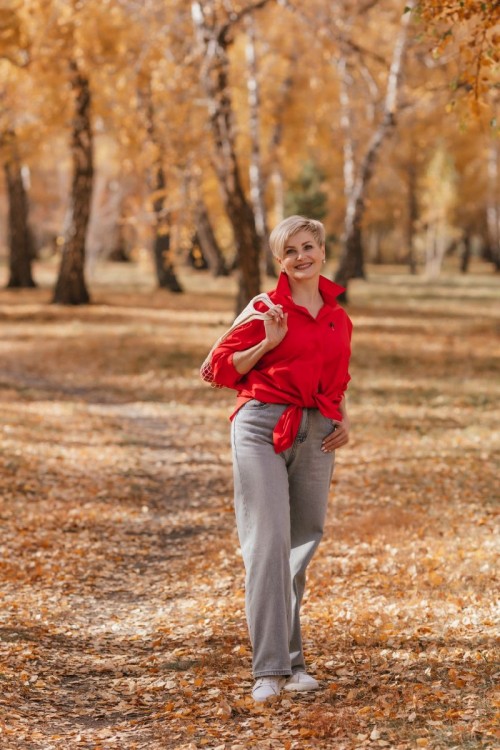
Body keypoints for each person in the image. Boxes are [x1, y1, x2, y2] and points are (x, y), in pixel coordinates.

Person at [208, 215, 353, 702]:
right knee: (268, 543)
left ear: (323, 251)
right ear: (279, 260)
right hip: (260, 427)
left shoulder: (338, 317)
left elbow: (339, 377)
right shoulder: (264, 307)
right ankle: (268, 670)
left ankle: (293, 664)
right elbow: (216, 368)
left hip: (317, 432)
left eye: (308, 246)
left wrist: (343, 418)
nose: (301, 257)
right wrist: (267, 343)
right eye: (290, 251)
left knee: (300, 544)